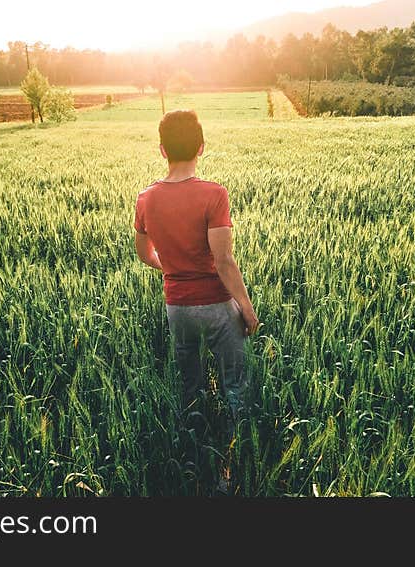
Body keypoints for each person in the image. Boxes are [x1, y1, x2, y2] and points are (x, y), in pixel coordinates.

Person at [134, 110, 259, 494]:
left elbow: (143, 253)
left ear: (161, 150)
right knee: (234, 383)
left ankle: (191, 452)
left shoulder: (146, 198)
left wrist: (172, 271)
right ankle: (239, 455)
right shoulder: (213, 194)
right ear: (201, 147)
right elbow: (223, 260)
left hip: (176, 307)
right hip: (217, 306)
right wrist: (247, 307)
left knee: (190, 383)